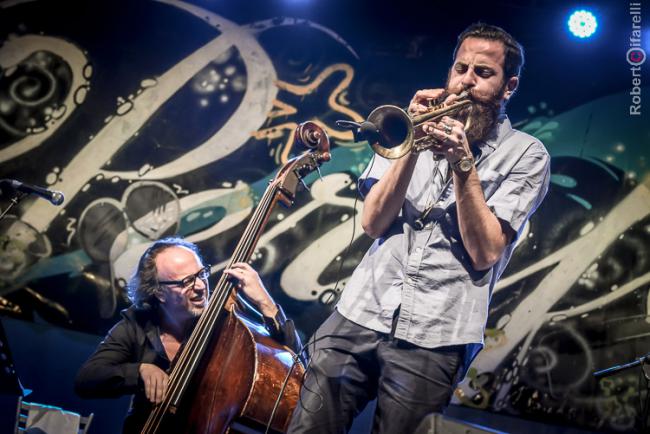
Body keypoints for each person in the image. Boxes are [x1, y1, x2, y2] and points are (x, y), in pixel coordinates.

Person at [288, 23, 551, 433]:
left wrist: (463, 164)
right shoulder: (407, 129)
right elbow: (374, 222)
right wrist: (410, 142)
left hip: (438, 334)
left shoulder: (527, 155)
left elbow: (485, 251)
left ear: (508, 86)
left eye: (483, 73)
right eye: (460, 68)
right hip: (360, 312)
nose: (465, 82)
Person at [75, 237, 300, 433]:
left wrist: (266, 303)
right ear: (159, 293)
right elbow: (87, 380)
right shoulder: (137, 324)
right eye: (186, 282)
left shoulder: (231, 324)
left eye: (201, 274)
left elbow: (294, 363)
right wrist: (140, 370)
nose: (201, 286)